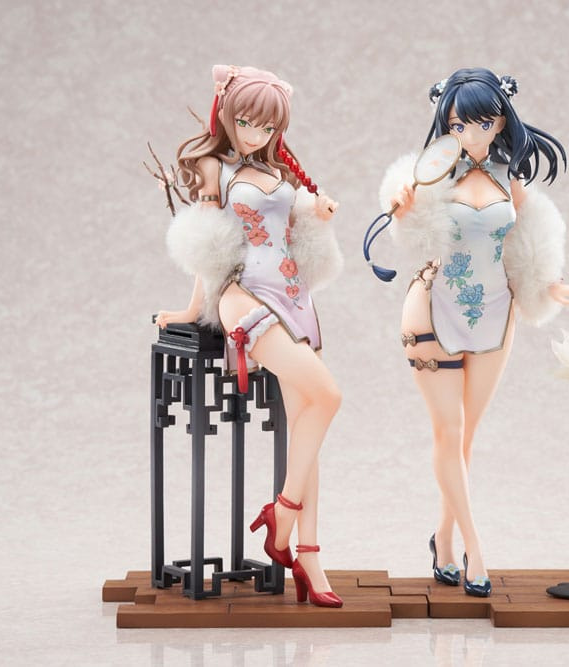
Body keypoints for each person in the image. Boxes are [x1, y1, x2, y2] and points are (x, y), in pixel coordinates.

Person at [377, 67, 569, 597]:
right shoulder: (433, 176)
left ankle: (442, 539)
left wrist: (550, 283)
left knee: (467, 436)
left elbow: (532, 240)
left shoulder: (506, 180)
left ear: (500, 122)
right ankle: (475, 548)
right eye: (457, 125)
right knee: (448, 431)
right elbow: (408, 232)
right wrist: (403, 209)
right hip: (432, 306)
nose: (470, 134)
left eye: (482, 123)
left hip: (496, 312)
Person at [158, 65, 344, 607]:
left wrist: (318, 213)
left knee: (307, 421)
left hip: (294, 297)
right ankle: (282, 515)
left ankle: (308, 554)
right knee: (328, 397)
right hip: (245, 294)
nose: (255, 134)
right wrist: (194, 309)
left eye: (266, 127)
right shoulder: (215, 168)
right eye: (245, 123)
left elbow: (293, 228)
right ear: (227, 117)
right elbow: (208, 243)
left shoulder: (275, 171)